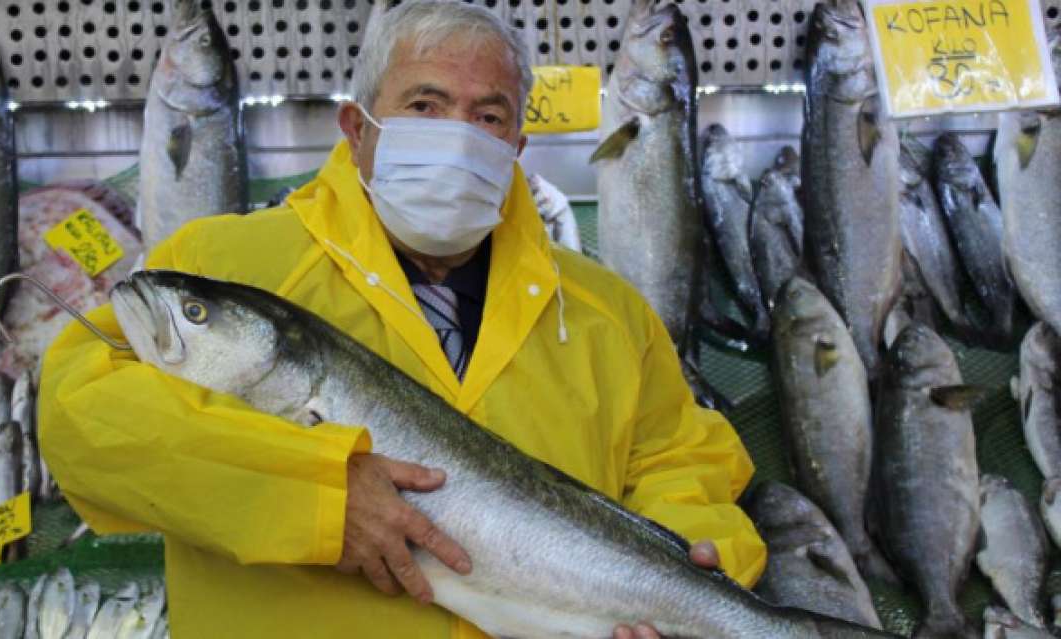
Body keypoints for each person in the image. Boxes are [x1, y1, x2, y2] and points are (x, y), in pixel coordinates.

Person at [38, 2, 765, 637]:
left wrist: (697, 566)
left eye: (488, 116)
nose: (458, 135)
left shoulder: (610, 312)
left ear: (516, 147)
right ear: (358, 128)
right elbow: (83, 420)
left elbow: (684, 462)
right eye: (424, 105)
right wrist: (313, 493)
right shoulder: (221, 262)